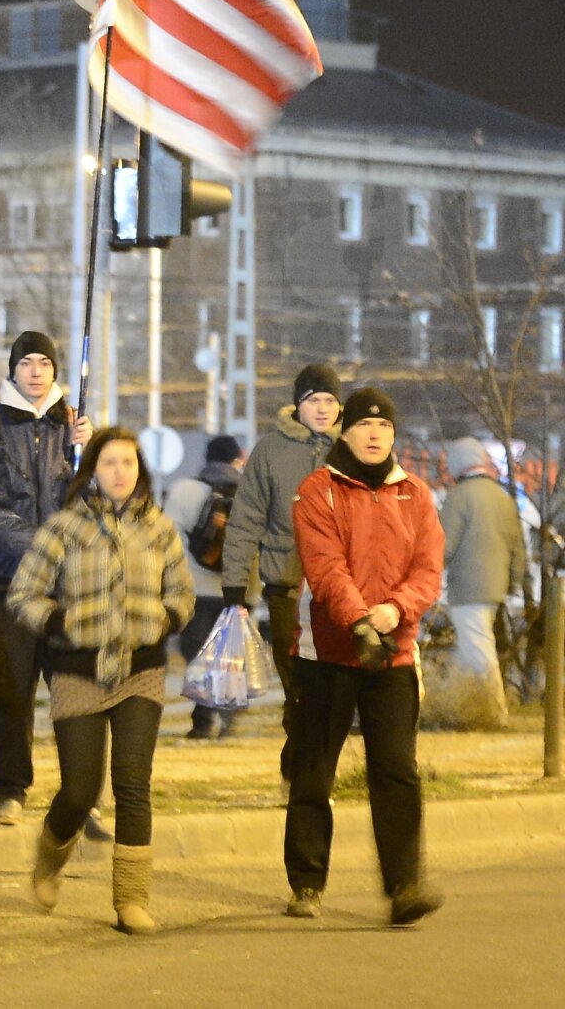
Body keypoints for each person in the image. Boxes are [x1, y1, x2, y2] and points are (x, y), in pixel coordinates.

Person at [8, 427, 195, 934]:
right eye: (110, 462)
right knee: (79, 788)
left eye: (128, 463)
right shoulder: (64, 527)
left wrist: (165, 618)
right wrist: (59, 623)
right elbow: (24, 594)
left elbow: (183, 593)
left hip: (141, 670)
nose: (119, 472)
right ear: (92, 470)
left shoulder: (159, 528)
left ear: (140, 471)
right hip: (78, 672)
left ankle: (131, 900)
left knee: (133, 783)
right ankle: (51, 853)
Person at [284, 387, 444, 928]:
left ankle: (404, 885)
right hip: (326, 652)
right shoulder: (318, 491)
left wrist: (395, 612)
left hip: (393, 654)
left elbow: (427, 570)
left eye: (386, 427)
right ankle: (307, 882)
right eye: (365, 426)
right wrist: (357, 618)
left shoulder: (416, 494)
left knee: (396, 769)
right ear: (345, 432)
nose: (376, 435)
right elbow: (324, 567)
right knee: (313, 769)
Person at [0, 329, 94, 828]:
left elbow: (100, 504)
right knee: (11, 690)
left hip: (68, 592)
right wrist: (45, 549)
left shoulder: (75, 429)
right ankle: (10, 790)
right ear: (13, 369)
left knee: (75, 692)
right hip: (7, 587)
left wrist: (94, 456)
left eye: (44, 362)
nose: (36, 371)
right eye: (27, 362)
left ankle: (80, 791)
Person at [221, 362, 341, 785]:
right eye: (314, 401)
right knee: (299, 686)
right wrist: (235, 584)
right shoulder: (271, 450)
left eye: (330, 401)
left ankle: (310, 766)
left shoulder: (352, 448)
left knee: (333, 688)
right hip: (287, 588)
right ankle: (303, 773)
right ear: (298, 405)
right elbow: (246, 518)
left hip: (341, 591)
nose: (323, 409)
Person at [439, 436, 526, 728]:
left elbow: (443, 546)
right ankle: (468, 707)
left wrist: (426, 571)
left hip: (468, 586)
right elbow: (518, 547)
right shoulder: (502, 497)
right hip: (496, 586)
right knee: (470, 646)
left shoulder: (460, 496)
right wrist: (513, 582)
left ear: (457, 464)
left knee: (477, 647)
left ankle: (494, 711)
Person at [168, 434, 245, 740]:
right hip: (236, 588)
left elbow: (169, 539)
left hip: (194, 589)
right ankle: (226, 711)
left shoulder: (185, 490)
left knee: (196, 654)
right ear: (236, 458)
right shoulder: (249, 491)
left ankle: (202, 720)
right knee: (228, 654)